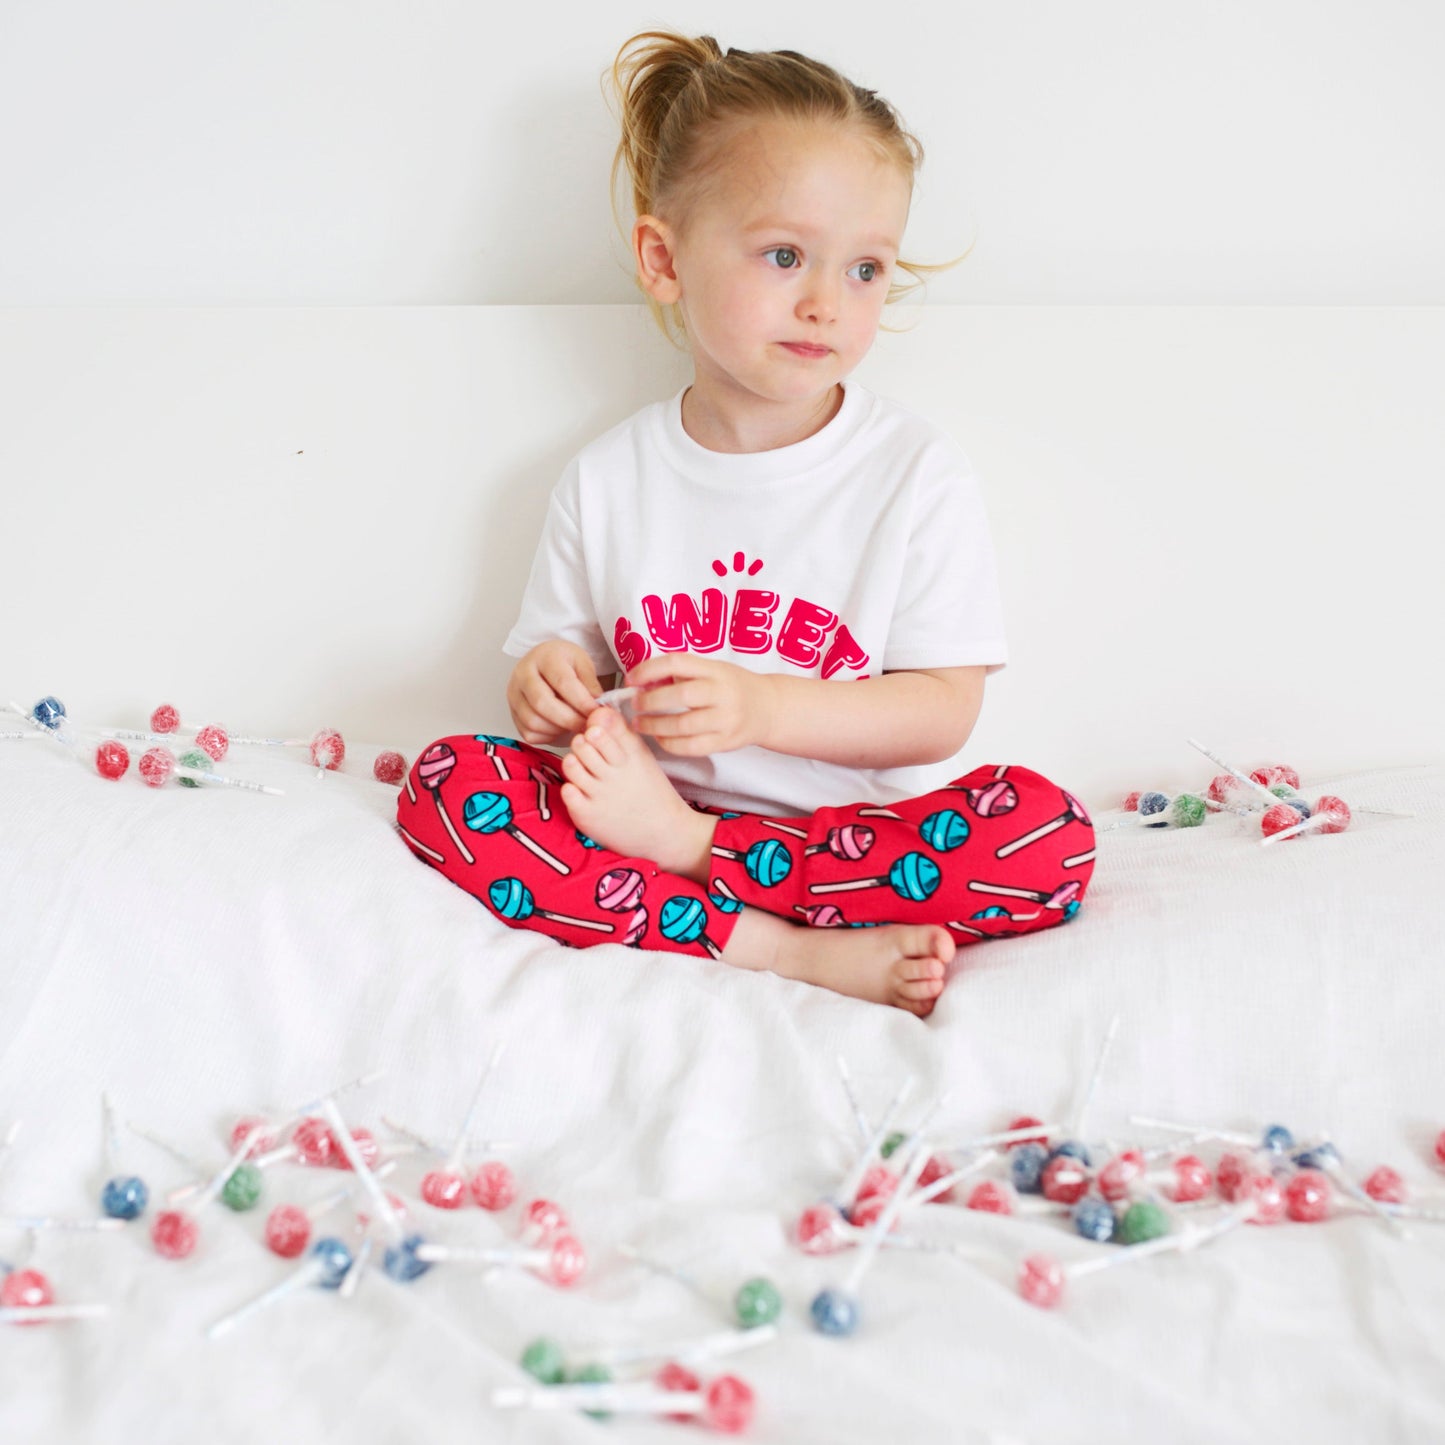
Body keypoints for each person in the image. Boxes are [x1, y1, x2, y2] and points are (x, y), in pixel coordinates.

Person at [396, 31, 1094, 1018]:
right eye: (783, 255)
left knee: (1045, 833)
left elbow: (943, 707)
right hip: (635, 819)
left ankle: (718, 889)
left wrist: (761, 717)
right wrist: (544, 686)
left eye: (864, 269)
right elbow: (565, 677)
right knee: (447, 784)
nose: (824, 302)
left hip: (837, 849)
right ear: (662, 258)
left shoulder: (910, 473)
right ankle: (774, 950)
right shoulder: (607, 480)